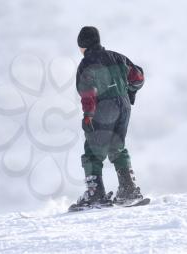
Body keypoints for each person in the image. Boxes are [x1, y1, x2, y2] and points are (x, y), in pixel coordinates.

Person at [69, 26, 145, 211]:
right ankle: (129, 189)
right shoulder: (118, 57)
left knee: (93, 151)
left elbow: (88, 93)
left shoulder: (86, 64)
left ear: (83, 45)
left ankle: (95, 195)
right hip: (123, 106)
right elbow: (138, 78)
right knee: (116, 146)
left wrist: (88, 115)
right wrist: (129, 92)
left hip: (103, 108)